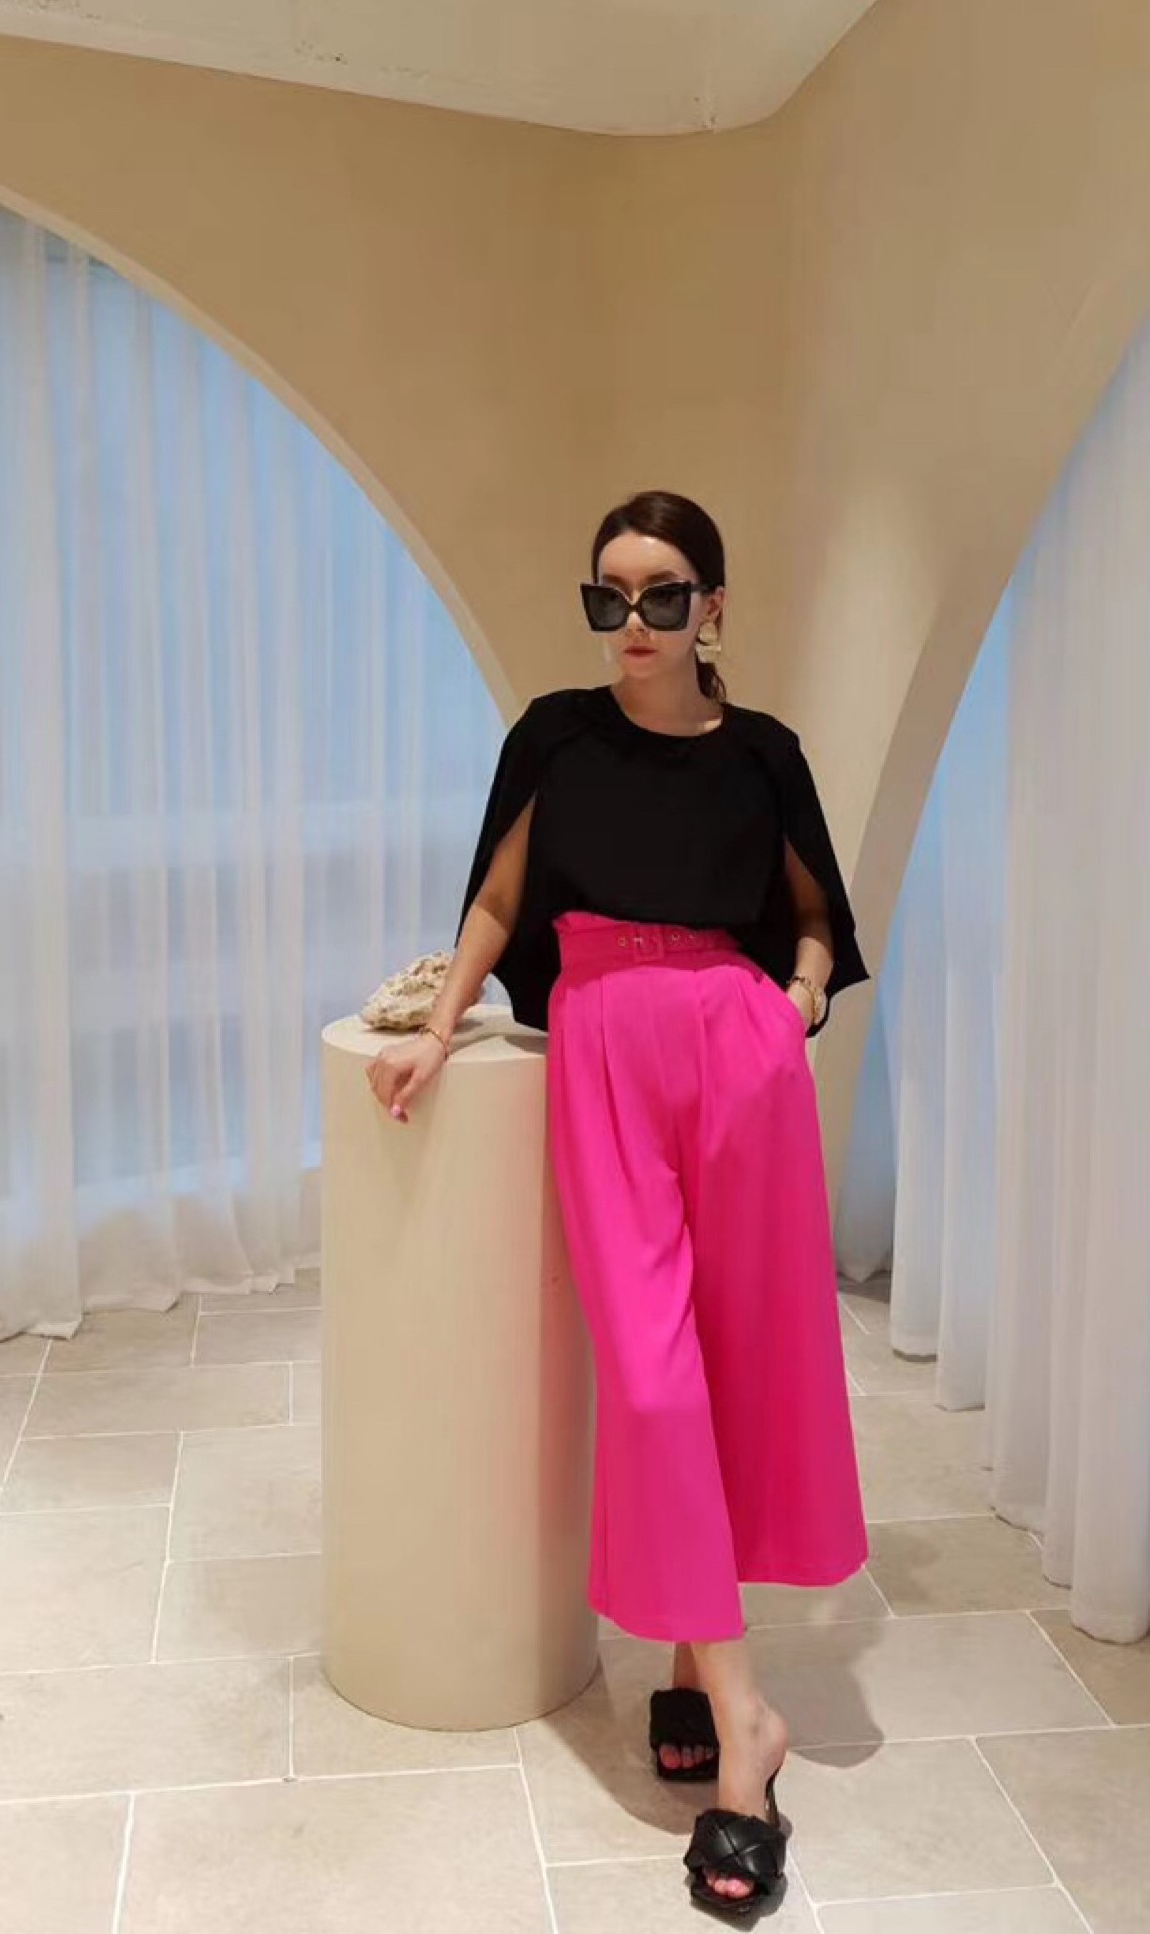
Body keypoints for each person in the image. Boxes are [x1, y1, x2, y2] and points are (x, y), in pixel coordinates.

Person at [366, 488, 870, 1923]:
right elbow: (497, 902)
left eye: (660, 595)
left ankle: (692, 1672)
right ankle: (747, 1723)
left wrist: (795, 1002)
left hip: (738, 1057)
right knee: (651, 1379)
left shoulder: (763, 754)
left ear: (714, 606)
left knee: (736, 1362)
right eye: (609, 596)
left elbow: (818, 915)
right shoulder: (556, 736)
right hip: (602, 1044)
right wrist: (441, 1026)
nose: (632, 622)